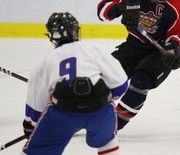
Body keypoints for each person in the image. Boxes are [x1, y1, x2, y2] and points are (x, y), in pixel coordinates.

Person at [97, 0, 180, 130]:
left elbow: (179, 35)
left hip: (159, 51)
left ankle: (112, 126)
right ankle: (78, 117)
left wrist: (172, 48)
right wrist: (119, 9)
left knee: (141, 80)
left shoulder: (177, 4)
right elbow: (102, 12)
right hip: (133, 46)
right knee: (104, 80)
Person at [21, 12, 128, 155]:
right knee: (107, 141)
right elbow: (120, 84)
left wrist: (32, 125)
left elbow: (36, 106)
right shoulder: (93, 49)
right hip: (100, 113)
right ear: (76, 31)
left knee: (37, 151)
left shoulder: (46, 61)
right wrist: (103, 99)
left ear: (52, 36)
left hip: (63, 115)